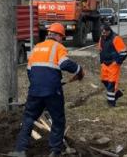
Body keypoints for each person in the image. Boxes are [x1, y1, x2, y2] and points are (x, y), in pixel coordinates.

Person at [10, 23, 84, 157]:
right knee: (58, 119)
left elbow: (29, 70)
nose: (62, 40)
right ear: (58, 36)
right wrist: (79, 70)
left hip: (35, 91)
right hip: (52, 92)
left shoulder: (36, 47)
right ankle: (55, 151)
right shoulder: (58, 47)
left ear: (49, 34)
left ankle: (20, 150)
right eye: (62, 37)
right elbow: (65, 64)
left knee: (28, 118)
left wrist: (39, 84)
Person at [98, 24, 127, 107]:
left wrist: (117, 62)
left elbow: (124, 52)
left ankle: (111, 103)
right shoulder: (102, 38)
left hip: (113, 64)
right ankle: (117, 93)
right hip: (105, 64)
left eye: (104, 32)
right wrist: (101, 61)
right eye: (102, 32)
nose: (103, 34)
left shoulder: (116, 38)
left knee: (111, 83)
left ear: (108, 31)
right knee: (104, 80)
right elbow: (100, 49)